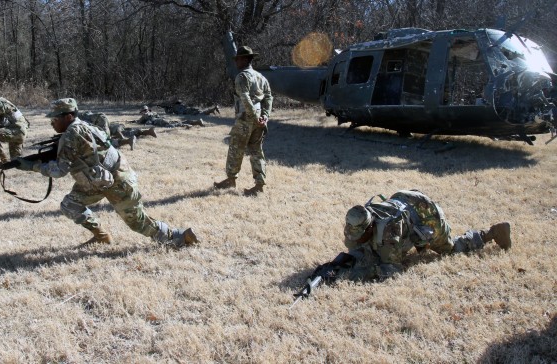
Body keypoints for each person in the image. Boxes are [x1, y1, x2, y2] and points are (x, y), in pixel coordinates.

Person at [15, 98, 199, 248]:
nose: (52, 122)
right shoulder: (83, 126)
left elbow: (59, 171)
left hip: (117, 181)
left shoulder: (72, 133)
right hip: (98, 181)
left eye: (55, 118)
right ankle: (102, 236)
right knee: (70, 204)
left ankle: (180, 237)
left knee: (138, 223)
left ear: (69, 116)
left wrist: (31, 166)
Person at [318, 190, 512, 282]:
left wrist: (351, 275)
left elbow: (391, 270)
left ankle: (492, 233)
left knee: (451, 249)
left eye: (359, 235)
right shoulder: (359, 217)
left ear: (369, 229)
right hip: (403, 198)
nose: (353, 238)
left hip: (426, 214)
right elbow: (356, 246)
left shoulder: (389, 236)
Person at [214, 45, 273, 196]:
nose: (236, 62)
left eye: (238, 59)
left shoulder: (242, 77)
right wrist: (264, 116)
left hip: (246, 118)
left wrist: (254, 117)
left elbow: (245, 98)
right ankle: (259, 185)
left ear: (246, 59)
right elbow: (268, 97)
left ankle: (231, 179)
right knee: (256, 151)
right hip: (259, 119)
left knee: (235, 148)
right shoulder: (261, 77)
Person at [78, 109, 157, 151]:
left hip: (99, 125)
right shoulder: (79, 115)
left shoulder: (77, 119)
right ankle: (147, 132)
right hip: (106, 124)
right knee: (122, 131)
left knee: (105, 141)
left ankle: (126, 140)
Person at [137, 105, 204, 128]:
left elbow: (139, 122)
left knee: (171, 125)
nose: (143, 112)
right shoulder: (153, 112)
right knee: (175, 122)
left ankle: (187, 125)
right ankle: (196, 122)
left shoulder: (145, 115)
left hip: (158, 121)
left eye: (143, 111)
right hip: (161, 119)